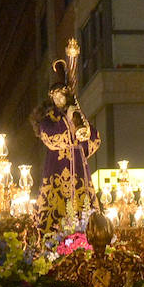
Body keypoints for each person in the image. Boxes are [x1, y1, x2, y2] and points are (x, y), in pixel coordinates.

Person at [31, 58, 101, 234]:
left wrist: (77, 118)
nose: (59, 98)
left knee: (85, 212)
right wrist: (68, 119)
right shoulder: (48, 120)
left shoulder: (77, 115)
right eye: (55, 96)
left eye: (61, 94)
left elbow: (92, 141)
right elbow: (51, 137)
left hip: (79, 171)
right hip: (57, 171)